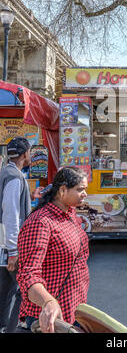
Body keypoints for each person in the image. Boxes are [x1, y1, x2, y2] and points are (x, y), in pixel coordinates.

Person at [16, 166, 89, 333]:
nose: (85, 194)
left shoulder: (69, 212)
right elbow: (28, 275)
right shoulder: (40, 222)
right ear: (62, 190)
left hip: (73, 306)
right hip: (47, 316)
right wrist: (48, 302)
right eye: (80, 190)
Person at [0, 137, 42, 333]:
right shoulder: (14, 177)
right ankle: (10, 328)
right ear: (25, 154)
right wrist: (14, 251)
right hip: (9, 244)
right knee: (22, 290)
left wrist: (31, 196)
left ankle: (3, 325)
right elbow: (10, 214)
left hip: (4, 243)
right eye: (30, 152)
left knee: (6, 289)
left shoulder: (8, 172)